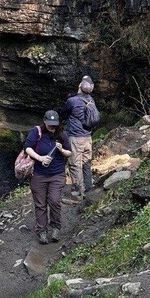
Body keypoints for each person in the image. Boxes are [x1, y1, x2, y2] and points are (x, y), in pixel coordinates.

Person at [24, 110, 73, 244]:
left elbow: (69, 152)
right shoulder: (37, 132)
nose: (52, 126)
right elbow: (27, 147)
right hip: (38, 175)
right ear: (44, 121)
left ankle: (56, 227)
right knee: (40, 204)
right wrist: (40, 158)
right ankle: (42, 231)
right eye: (50, 124)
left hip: (57, 174)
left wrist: (61, 149)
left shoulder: (62, 134)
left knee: (54, 201)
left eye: (54, 124)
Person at [59, 75, 100, 203]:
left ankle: (77, 195)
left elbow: (62, 113)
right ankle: (88, 190)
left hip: (75, 138)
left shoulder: (72, 101)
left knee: (74, 165)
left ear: (79, 86)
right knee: (86, 164)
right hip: (88, 138)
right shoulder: (91, 100)